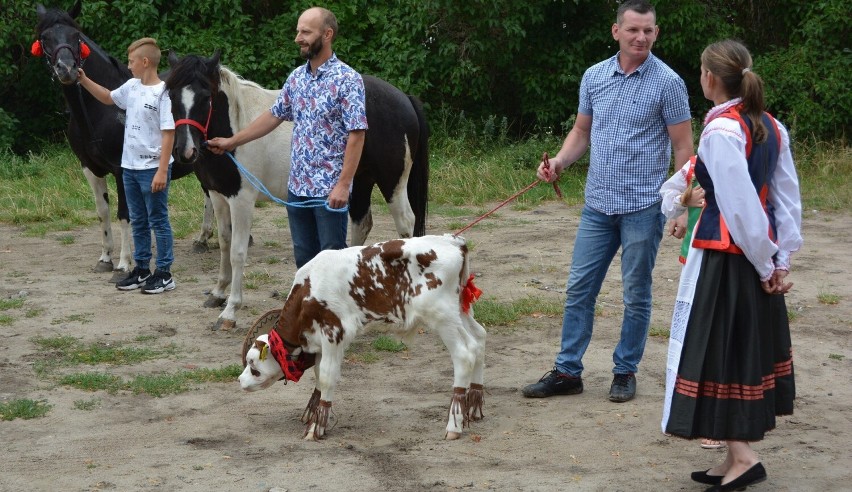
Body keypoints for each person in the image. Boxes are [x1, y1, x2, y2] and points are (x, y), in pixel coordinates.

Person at [522, 0, 693, 403]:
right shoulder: (594, 76)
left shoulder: (668, 82)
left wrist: (684, 206)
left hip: (644, 207)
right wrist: (560, 162)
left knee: (636, 292)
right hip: (597, 205)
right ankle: (567, 371)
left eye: (648, 30)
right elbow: (582, 132)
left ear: (656, 33)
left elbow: (683, 147)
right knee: (579, 288)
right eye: (633, 30)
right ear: (616, 32)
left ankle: (624, 371)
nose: (641, 37)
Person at [661, 39, 802, 491]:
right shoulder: (770, 126)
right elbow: (786, 201)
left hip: (728, 260)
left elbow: (741, 210)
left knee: (722, 353)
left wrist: (766, 266)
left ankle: (743, 456)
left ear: (708, 78)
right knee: (736, 351)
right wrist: (781, 259)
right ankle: (732, 456)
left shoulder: (722, 131)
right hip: (751, 257)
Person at [206, 7, 367, 268]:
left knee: (334, 260)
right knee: (304, 258)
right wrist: (232, 142)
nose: (298, 38)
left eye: (306, 32)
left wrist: (343, 185)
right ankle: (311, 308)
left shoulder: (348, 80)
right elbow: (273, 116)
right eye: (298, 31)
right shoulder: (297, 78)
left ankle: (337, 309)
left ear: (327, 35)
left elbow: (357, 135)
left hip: (329, 190)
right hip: (298, 187)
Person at [78, 38, 177, 294]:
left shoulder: (163, 93)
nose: (128, 66)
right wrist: (83, 79)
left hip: (152, 169)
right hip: (129, 168)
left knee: (158, 220)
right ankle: (142, 269)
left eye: (131, 61)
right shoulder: (132, 86)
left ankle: (164, 273)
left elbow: (169, 133)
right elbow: (108, 98)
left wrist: (163, 170)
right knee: (139, 221)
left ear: (145, 62)